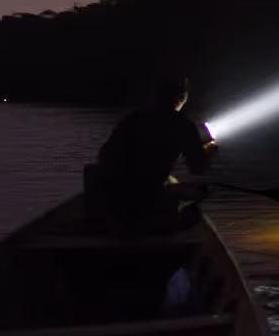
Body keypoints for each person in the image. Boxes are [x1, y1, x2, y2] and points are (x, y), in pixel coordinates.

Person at [84, 75, 219, 235]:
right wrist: (210, 151)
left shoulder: (133, 118)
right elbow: (198, 169)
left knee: (170, 182)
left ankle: (106, 217)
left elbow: (104, 155)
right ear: (182, 97)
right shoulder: (183, 126)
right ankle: (154, 225)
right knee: (197, 201)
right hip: (145, 198)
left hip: (111, 194)